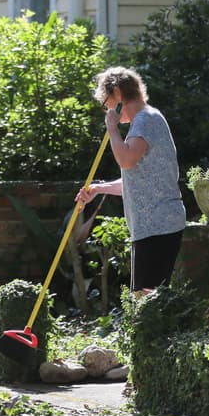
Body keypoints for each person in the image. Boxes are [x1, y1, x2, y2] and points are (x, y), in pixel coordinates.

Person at [75, 66, 185, 295]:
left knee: (149, 298)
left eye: (106, 101)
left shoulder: (145, 120)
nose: (106, 108)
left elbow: (126, 160)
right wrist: (98, 188)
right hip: (152, 225)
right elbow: (139, 180)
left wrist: (112, 129)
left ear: (117, 93)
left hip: (157, 224)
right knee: (147, 297)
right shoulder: (147, 119)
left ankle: (159, 332)